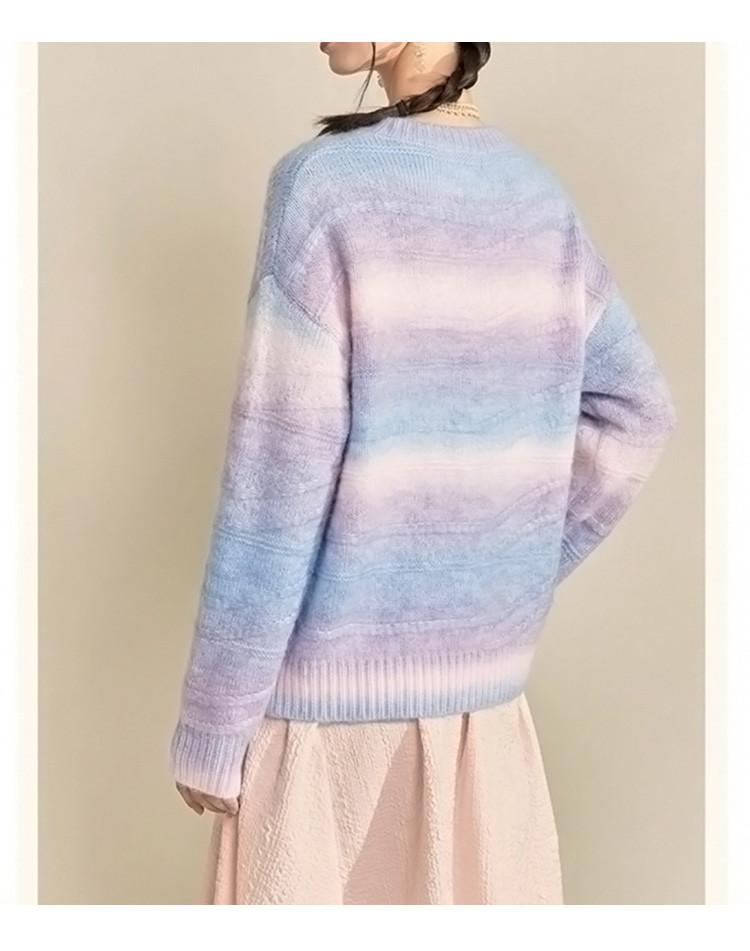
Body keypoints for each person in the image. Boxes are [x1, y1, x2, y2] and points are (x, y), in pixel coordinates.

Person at [168, 42, 677, 904]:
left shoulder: (323, 188)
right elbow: (640, 414)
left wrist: (215, 721)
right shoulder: (539, 201)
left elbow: (275, 480)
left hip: (324, 734)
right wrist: (499, 568)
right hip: (487, 727)